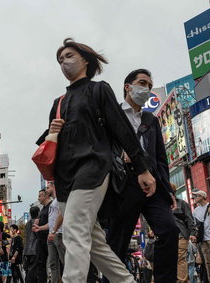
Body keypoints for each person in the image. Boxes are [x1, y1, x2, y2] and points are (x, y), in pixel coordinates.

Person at [37, 38, 156, 283]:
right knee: (93, 242)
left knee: (73, 232)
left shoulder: (99, 89)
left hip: (93, 167)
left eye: (69, 56)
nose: (64, 62)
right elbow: (47, 142)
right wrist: (53, 128)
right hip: (64, 175)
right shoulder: (58, 103)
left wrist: (142, 167)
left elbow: (122, 128)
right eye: (60, 60)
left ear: (86, 61)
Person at [107, 68, 178, 283]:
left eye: (149, 84)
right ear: (128, 87)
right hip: (124, 184)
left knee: (169, 230)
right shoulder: (113, 114)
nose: (146, 88)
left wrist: (167, 190)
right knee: (116, 244)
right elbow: (103, 148)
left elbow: (160, 159)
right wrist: (121, 155)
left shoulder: (151, 119)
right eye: (142, 82)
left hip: (152, 184)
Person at [171, 183, 197, 283]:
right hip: (168, 237)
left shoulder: (182, 203)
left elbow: (190, 219)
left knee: (180, 259)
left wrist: (193, 233)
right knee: (171, 260)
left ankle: (182, 281)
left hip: (181, 236)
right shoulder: (162, 205)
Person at [46, 181, 65, 283]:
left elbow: (61, 215)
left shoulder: (60, 200)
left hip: (59, 234)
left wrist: (54, 231)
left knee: (64, 261)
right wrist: (40, 228)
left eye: (48, 187)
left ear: (53, 187)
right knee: (53, 263)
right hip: (51, 235)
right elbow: (51, 221)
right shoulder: (53, 202)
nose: (46, 190)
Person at [32, 189, 52, 283]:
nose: (38, 198)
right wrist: (37, 225)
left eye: (40, 196)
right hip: (40, 239)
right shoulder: (43, 208)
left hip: (49, 238)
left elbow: (52, 223)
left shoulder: (51, 206)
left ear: (46, 196)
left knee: (54, 263)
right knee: (40, 263)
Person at [23, 206, 39, 283]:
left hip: (27, 250)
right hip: (35, 249)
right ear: (38, 213)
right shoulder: (38, 222)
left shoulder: (28, 223)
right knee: (33, 271)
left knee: (28, 270)